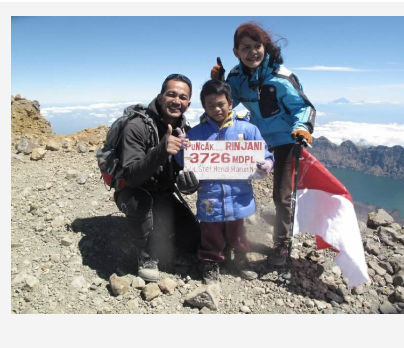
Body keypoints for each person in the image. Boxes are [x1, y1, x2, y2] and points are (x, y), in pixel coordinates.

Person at [211, 22, 316, 267]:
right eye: (245, 47)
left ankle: (281, 244)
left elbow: (305, 107)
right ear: (236, 52)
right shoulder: (237, 77)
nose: (252, 52)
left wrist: (303, 127)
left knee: (281, 195)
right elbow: (229, 102)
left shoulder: (281, 77)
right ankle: (233, 236)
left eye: (257, 45)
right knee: (233, 183)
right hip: (257, 139)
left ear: (265, 47)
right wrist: (220, 84)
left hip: (286, 139)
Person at [114, 74, 201, 282]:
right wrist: (160, 151)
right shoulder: (137, 127)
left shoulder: (185, 133)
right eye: (171, 94)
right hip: (133, 192)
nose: (176, 101)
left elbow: (184, 174)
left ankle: (161, 227)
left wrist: (190, 185)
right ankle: (146, 257)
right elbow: (132, 176)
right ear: (160, 97)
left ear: (188, 104)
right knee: (140, 201)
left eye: (182, 97)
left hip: (163, 193)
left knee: (194, 241)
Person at [185, 79, 274, 284]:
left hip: (239, 196)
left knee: (238, 232)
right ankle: (210, 261)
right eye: (210, 105)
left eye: (221, 104)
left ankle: (240, 258)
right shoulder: (196, 134)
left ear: (230, 103)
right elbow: (186, 163)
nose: (216, 109)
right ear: (204, 106)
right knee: (210, 232)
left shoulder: (248, 130)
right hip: (210, 196)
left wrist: (267, 164)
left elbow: (265, 154)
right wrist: (182, 150)